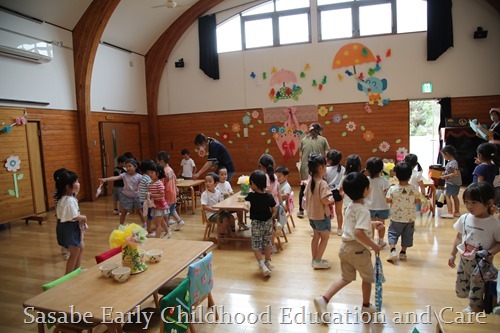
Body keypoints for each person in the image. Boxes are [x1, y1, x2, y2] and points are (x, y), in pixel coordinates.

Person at [314, 172, 383, 324]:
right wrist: (375, 246)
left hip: (345, 248)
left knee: (346, 278)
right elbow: (358, 232)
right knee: (367, 278)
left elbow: (353, 225)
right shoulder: (364, 210)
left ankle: (324, 299)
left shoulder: (350, 206)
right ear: (365, 190)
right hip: (358, 251)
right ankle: (366, 306)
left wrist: (371, 224)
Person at [448, 182, 500, 312]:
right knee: (462, 286)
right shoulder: (465, 218)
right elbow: (459, 237)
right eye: (466, 202)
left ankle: (475, 309)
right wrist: (453, 254)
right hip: (464, 258)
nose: (469, 206)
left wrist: (490, 253)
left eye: (474, 202)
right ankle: (472, 304)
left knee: (478, 287)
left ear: (488, 203)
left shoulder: (494, 224)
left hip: (482, 263)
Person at [386, 162, 421, 262]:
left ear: (396, 175)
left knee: (392, 233)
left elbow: (388, 200)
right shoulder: (414, 189)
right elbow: (417, 201)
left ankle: (393, 250)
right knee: (407, 235)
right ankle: (403, 253)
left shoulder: (393, 188)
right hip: (410, 218)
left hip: (396, 217)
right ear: (410, 176)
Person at [245, 170, 277, 277]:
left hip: (256, 223)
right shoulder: (269, 196)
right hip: (267, 223)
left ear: (253, 184)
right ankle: (267, 261)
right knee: (267, 242)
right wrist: (271, 217)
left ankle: (261, 264)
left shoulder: (251, 196)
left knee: (256, 245)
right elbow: (274, 209)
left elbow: (246, 204)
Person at [305, 153, 335, 269]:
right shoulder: (322, 183)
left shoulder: (310, 182)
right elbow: (324, 200)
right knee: (325, 238)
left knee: (316, 236)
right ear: (320, 168)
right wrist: (331, 199)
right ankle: (317, 260)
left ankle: (314, 259)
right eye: (325, 165)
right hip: (321, 216)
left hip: (312, 215)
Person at [55, 170, 88, 274]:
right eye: (76, 182)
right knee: (74, 252)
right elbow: (73, 216)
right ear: (68, 187)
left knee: (80, 247)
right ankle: (68, 275)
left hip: (68, 227)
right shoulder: (68, 200)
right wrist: (83, 217)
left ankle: (76, 270)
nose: (78, 183)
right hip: (69, 228)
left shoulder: (66, 198)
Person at [297, 123, 330, 218]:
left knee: (303, 188)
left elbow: (300, 155)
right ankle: (319, 208)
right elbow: (327, 154)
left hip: (305, 166)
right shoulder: (323, 140)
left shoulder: (304, 140)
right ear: (319, 130)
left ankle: (300, 210)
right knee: (319, 187)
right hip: (317, 166)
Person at [100, 158, 146, 226]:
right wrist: (105, 179)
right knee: (124, 212)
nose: (128, 168)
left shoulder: (139, 176)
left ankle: (144, 224)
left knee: (139, 211)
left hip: (136, 196)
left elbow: (146, 183)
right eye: (126, 166)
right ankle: (121, 225)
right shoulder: (124, 175)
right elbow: (115, 178)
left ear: (135, 167)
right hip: (126, 196)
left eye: (130, 166)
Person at [156, 151, 185, 231]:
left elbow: (161, 185)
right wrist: (176, 188)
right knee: (172, 210)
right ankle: (179, 221)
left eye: (157, 162)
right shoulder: (170, 169)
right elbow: (175, 180)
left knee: (165, 213)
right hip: (173, 193)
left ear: (161, 161)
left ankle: (166, 228)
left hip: (167, 195)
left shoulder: (163, 172)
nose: (157, 163)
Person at [365, 157, 389, 247]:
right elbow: (387, 194)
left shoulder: (366, 180)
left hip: (369, 206)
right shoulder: (385, 181)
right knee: (381, 224)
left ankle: (371, 241)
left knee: (371, 225)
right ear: (381, 169)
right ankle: (381, 241)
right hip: (382, 206)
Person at [145, 162, 172, 239]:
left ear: (158, 173)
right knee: (160, 221)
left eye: (152, 172)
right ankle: (168, 232)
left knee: (158, 224)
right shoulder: (150, 183)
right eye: (149, 172)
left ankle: (157, 238)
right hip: (155, 205)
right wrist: (148, 195)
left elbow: (162, 195)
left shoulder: (159, 183)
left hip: (160, 205)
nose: (150, 174)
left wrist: (151, 195)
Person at [326, 150, 345, 236]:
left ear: (330, 160)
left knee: (326, 211)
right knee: (339, 212)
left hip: (327, 192)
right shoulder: (343, 169)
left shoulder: (326, 169)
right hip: (338, 192)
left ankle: (326, 227)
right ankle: (340, 229)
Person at [439, 145, 462, 218]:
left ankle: (450, 212)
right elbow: (451, 171)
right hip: (455, 182)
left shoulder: (452, 163)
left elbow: (455, 173)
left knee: (447, 196)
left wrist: (445, 176)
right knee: (455, 196)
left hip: (452, 182)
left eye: (443, 155)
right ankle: (457, 212)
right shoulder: (452, 162)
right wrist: (445, 173)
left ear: (447, 154)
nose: (443, 157)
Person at [53, 168, 70, 260]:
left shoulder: (69, 190)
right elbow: (57, 204)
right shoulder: (58, 191)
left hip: (69, 215)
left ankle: (67, 247)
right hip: (62, 216)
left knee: (68, 232)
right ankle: (64, 247)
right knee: (62, 232)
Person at [139, 160, 155, 236]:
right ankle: (148, 231)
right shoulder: (147, 178)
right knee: (149, 216)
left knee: (147, 215)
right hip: (146, 201)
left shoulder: (144, 177)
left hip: (143, 200)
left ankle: (146, 229)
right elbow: (150, 187)